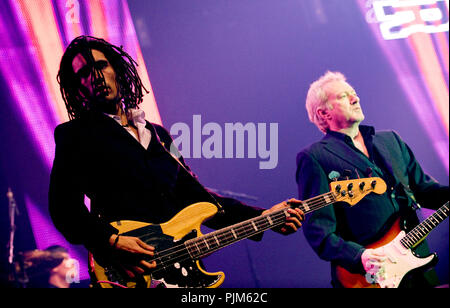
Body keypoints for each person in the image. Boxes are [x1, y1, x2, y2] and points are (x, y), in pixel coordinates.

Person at [48, 35, 304, 287]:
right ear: (77, 87)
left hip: (176, 273)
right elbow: (64, 209)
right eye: (84, 74)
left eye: (101, 66)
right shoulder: (75, 136)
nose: (96, 77)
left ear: (117, 68)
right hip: (129, 274)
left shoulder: (157, 134)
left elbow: (199, 199)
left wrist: (263, 216)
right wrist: (110, 241)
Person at [295, 71, 448, 288]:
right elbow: (318, 231)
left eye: (353, 93)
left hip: (419, 265)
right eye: (343, 96)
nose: (355, 99)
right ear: (324, 113)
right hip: (370, 276)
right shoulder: (315, 157)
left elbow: (424, 190)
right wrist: (360, 257)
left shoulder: (390, 140)